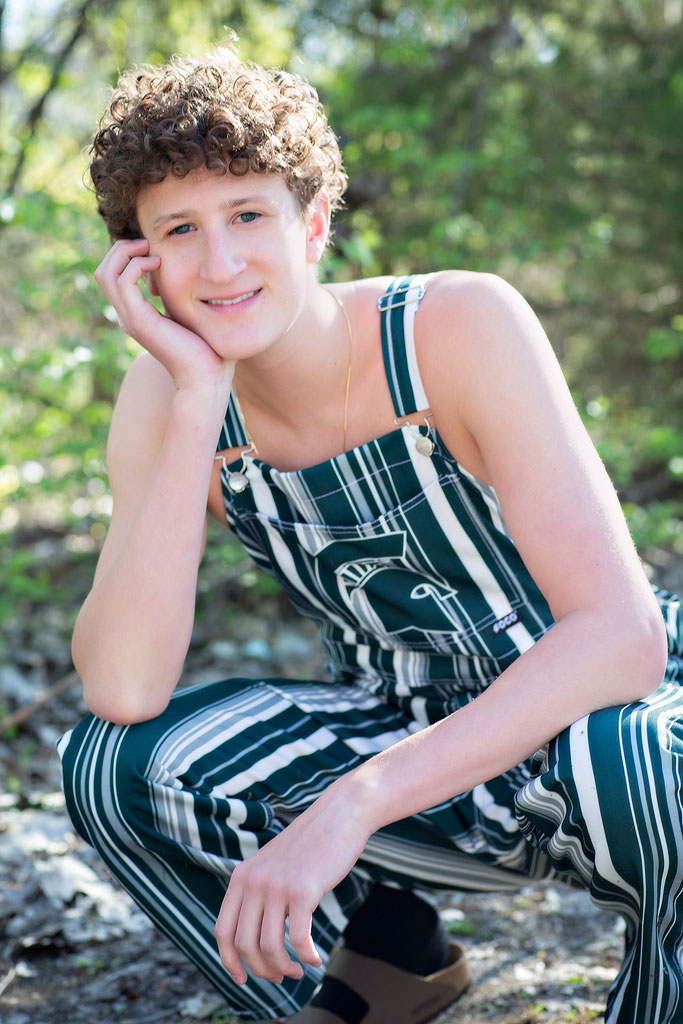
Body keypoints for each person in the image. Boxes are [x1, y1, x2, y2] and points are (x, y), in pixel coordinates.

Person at [58, 45, 683, 1024]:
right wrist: (190, 401)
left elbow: (620, 637)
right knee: (110, 767)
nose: (219, 264)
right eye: (179, 229)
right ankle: (372, 978)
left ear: (312, 225)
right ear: (138, 263)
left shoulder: (456, 326)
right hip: (394, 728)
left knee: (646, 754)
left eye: (247, 215)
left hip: (582, 734)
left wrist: (351, 804)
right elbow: (123, 687)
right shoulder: (168, 399)